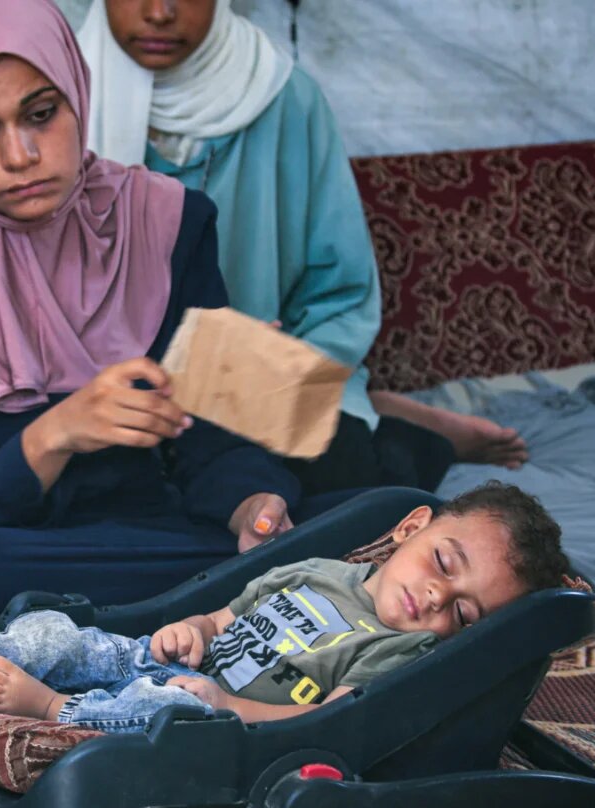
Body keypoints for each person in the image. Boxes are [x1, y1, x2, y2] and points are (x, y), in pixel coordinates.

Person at [0, 0, 353, 642]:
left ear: (76, 92)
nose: (21, 154)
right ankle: (218, 599)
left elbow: (211, 440)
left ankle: (176, 600)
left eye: (41, 114)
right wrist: (55, 435)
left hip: (141, 529)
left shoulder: (168, 219)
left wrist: (251, 507)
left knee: (382, 512)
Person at [78, 0, 529, 496]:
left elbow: (340, 292)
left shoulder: (283, 97)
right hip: (96, 372)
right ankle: (383, 410)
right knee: (108, 487)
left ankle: (401, 432)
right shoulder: (53, 96)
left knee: (335, 484)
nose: (159, 12)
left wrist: (270, 360)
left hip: (246, 378)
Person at [0, 481, 567, 739]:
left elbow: (337, 720)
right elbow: (222, 617)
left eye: (464, 615)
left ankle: (50, 713)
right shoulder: (322, 570)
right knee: (51, 631)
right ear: (413, 528)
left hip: (215, 715)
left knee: (174, 715)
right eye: (444, 565)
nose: (437, 599)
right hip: (161, 663)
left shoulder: (400, 652)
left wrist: (234, 710)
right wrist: (188, 630)